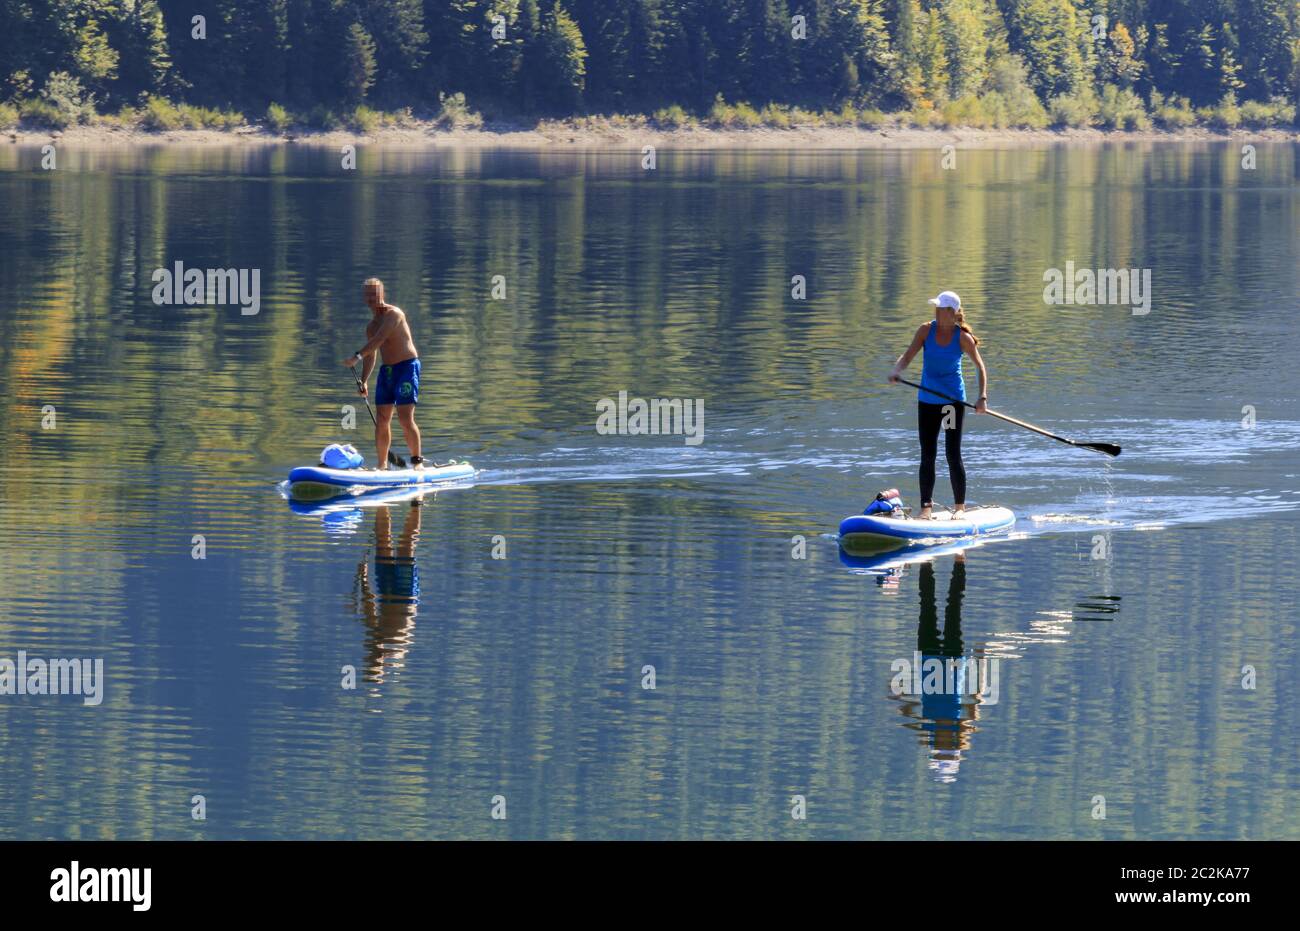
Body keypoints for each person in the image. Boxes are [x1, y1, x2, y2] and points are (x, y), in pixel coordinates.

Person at [888, 291, 988, 519]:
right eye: (936, 307)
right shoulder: (925, 330)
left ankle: (960, 508)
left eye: (940, 308)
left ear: (951, 313)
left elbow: (980, 367)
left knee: (952, 454)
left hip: (952, 403)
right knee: (927, 454)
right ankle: (926, 509)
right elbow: (907, 356)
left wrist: (982, 397)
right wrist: (896, 370)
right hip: (928, 402)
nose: (936, 311)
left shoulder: (962, 338)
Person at [341, 278, 424, 469]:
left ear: (382, 294)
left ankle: (417, 463)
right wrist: (363, 381)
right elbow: (372, 354)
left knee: (405, 418)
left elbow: (379, 340)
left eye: (375, 293)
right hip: (387, 371)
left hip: (407, 367)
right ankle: (382, 465)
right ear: (364, 298)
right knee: (382, 419)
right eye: (368, 294)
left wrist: (356, 356)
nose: (372, 297)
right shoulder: (370, 326)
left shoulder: (394, 314)